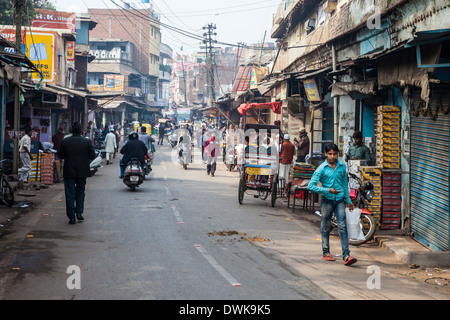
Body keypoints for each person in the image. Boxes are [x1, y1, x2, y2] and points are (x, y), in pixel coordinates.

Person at [307, 143, 357, 266]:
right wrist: (327, 190)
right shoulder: (321, 168)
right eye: (330, 154)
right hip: (327, 200)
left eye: (335, 154)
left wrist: (349, 201)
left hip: (340, 200)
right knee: (325, 226)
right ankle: (326, 252)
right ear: (325, 154)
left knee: (342, 226)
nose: (332, 156)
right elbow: (311, 186)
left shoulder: (342, 167)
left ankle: (346, 255)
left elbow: (345, 185)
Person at [57, 122, 96, 224]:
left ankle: (71, 217)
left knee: (70, 194)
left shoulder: (65, 141)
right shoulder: (87, 142)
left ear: (71, 130)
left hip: (69, 171)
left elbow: (60, 155)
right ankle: (79, 212)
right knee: (80, 192)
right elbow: (92, 156)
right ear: (81, 131)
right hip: (82, 172)